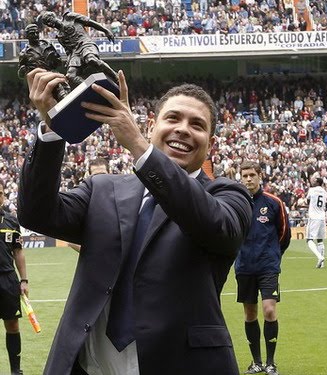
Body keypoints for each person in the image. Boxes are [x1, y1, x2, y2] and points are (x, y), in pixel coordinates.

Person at [19, 68, 253, 375]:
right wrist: (52, 130)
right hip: (89, 366)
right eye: (173, 118)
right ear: (152, 124)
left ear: (211, 141)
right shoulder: (102, 188)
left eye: (197, 125)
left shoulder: (228, 195)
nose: (183, 129)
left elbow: (215, 226)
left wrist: (140, 147)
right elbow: (37, 213)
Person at [235, 161, 291, 375]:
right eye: (245, 175)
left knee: (269, 310)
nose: (248, 179)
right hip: (244, 267)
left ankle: (270, 362)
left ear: (260, 176)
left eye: (252, 175)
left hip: (268, 266)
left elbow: (284, 234)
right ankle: (256, 362)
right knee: (250, 314)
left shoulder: (274, 202)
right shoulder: (236, 202)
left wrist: (273, 255)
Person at [37, 11, 117, 88]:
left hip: (85, 43)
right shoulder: (60, 37)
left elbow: (89, 22)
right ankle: (91, 87)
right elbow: (69, 52)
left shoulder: (69, 17)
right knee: (70, 75)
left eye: (49, 20)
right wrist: (69, 62)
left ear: (53, 16)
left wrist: (105, 30)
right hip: (75, 52)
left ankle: (115, 76)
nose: (50, 23)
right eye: (47, 23)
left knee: (91, 59)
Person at [0, 183, 28, 375]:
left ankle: (15, 370)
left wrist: (24, 280)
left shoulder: (11, 221)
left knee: (12, 324)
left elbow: (18, 252)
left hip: (8, 279)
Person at [68, 158, 110, 252]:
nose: (100, 179)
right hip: (96, 262)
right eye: (96, 176)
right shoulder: (81, 200)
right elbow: (70, 240)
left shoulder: (121, 195)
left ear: (109, 173)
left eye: (103, 174)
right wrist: (95, 254)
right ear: (89, 176)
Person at [18, 23, 69, 101]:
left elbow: (59, 63)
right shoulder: (24, 53)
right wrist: (22, 70)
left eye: (36, 32)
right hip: (39, 82)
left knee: (65, 90)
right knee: (59, 94)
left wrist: (55, 60)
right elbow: (20, 75)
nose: (35, 35)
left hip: (53, 75)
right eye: (32, 33)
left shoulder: (47, 45)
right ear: (27, 36)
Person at [305, 177, 327, 268]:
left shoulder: (312, 190)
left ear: (318, 182)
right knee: (320, 240)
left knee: (309, 239)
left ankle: (320, 257)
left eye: (314, 181)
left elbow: (308, 200)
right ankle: (321, 264)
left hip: (313, 217)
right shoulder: (325, 192)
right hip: (322, 217)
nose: (313, 182)